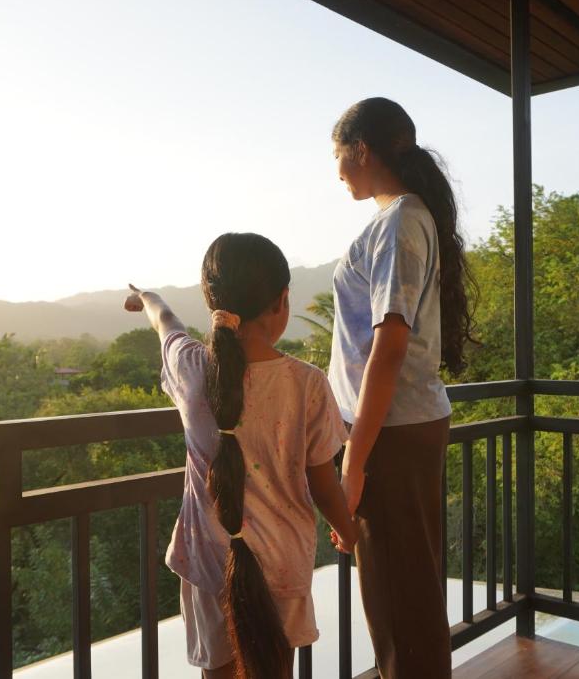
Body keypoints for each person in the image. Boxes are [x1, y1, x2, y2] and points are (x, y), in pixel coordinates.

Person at [126, 232, 357, 679]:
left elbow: (166, 321)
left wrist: (147, 298)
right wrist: (348, 532)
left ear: (212, 302)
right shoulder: (306, 383)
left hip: (209, 560)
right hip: (282, 562)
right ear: (281, 301)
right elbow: (323, 482)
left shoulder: (191, 368)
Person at [328, 97, 476, 678]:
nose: (338, 170)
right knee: (404, 591)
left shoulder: (399, 222)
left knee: (397, 599)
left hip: (389, 432)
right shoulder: (405, 218)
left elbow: (389, 347)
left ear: (361, 150)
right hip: (396, 426)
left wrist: (354, 462)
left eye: (338, 155)